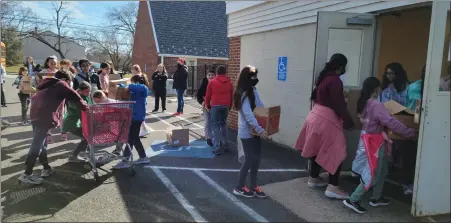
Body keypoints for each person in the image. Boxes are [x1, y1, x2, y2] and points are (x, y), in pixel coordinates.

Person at [343, 77, 416, 214]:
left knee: (382, 171)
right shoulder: (376, 105)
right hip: (375, 142)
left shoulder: (365, 103)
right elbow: (390, 122)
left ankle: (376, 197)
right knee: (374, 172)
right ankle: (353, 199)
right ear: (377, 88)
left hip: (369, 139)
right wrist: (410, 132)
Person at [294, 53, 354, 199]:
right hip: (327, 119)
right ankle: (333, 187)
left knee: (315, 148)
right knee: (337, 151)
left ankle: (314, 178)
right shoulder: (335, 81)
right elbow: (338, 104)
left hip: (314, 116)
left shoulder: (324, 77)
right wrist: (349, 121)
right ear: (341, 66)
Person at [19, 69, 88, 185]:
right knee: (37, 146)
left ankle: (46, 169)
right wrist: (86, 108)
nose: (69, 85)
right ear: (65, 79)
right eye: (69, 82)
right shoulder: (61, 84)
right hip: (44, 116)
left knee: (42, 144)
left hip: (35, 115)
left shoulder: (46, 85)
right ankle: (26, 174)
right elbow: (76, 97)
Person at [232, 65, 269, 198]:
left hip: (256, 131)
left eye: (256, 76)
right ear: (247, 78)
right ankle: (239, 187)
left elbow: (260, 108)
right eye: (253, 76)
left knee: (256, 159)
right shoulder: (243, 94)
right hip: (247, 133)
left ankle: (253, 186)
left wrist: (268, 123)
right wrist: (260, 129)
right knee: (249, 159)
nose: (255, 78)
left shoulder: (253, 90)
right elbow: (248, 115)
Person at [112, 74, 150, 169]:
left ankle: (126, 159)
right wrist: (123, 86)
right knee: (134, 137)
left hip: (137, 117)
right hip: (135, 116)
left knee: (130, 138)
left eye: (132, 82)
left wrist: (125, 84)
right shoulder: (137, 89)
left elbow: (133, 87)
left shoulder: (143, 87)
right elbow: (128, 89)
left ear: (136, 81)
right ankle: (143, 157)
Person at [205, 66, 234, 155]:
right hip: (226, 105)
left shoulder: (212, 82)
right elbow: (232, 95)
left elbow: (208, 96)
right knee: (224, 124)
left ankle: (217, 147)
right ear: (225, 73)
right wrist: (230, 106)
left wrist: (208, 106)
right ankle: (226, 144)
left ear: (217, 73)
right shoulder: (229, 83)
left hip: (216, 105)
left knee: (215, 126)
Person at [62, 81, 92, 163]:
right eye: (86, 91)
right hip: (71, 123)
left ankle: (82, 152)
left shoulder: (83, 97)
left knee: (86, 138)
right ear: (80, 91)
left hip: (75, 122)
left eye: (90, 91)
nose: (88, 93)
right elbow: (82, 114)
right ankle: (74, 156)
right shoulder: (77, 99)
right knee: (87, 138)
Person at [197, 69, 216, 146]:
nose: (210, 76)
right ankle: (208, 137)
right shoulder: (204, 84)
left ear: (215, 76)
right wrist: (202, 102)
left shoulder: (217, 83)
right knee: (208, 121)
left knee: (214, 122)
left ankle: (216, 137)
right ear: (206, 76)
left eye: (212, 75)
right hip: (206, 105)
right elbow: (198, 95)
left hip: (215, 106)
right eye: (209, 75)